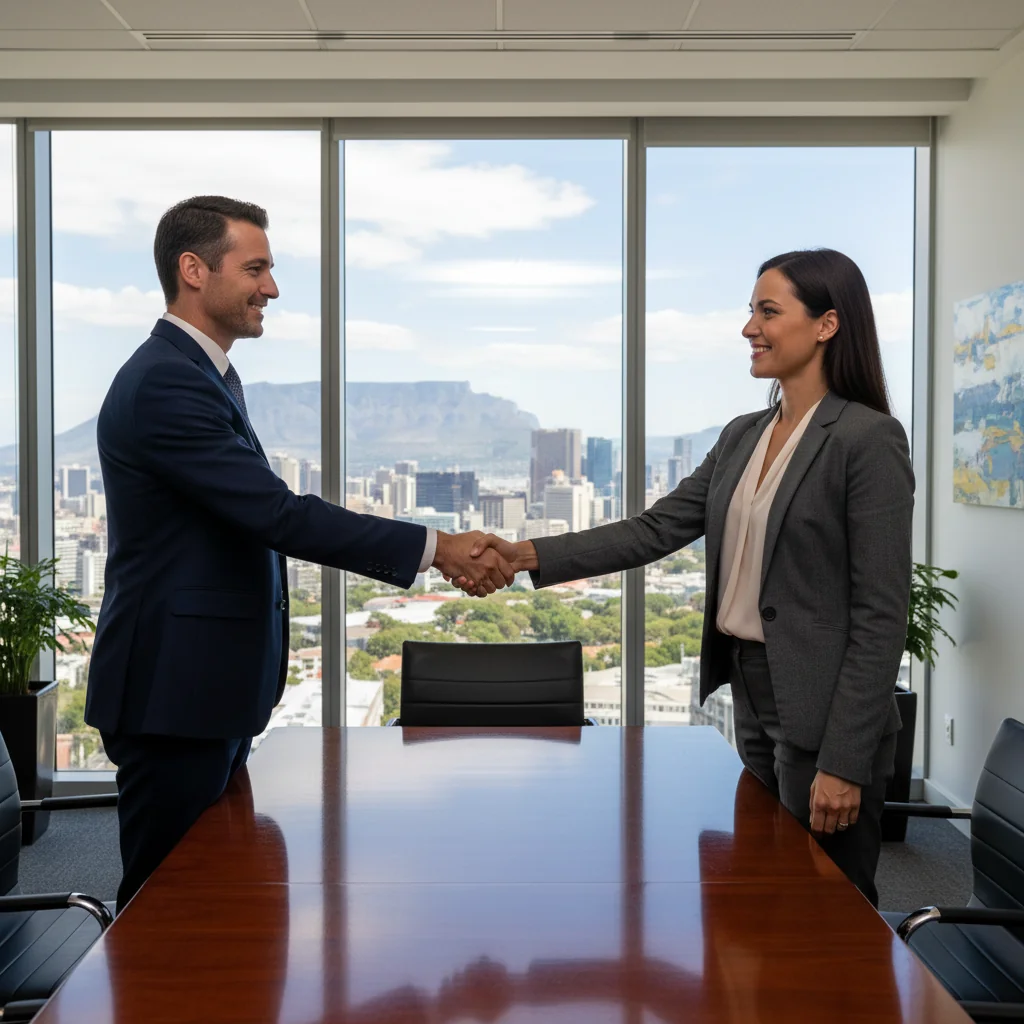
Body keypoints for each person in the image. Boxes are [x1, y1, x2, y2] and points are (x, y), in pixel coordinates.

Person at [85, 195, 511, 912]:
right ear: (194, 269)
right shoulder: (166, 381)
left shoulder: (200, 373)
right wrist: (437, 548)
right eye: (256, 268)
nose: (272, 288)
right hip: (172, 695)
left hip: (200, 692)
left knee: (209, 896)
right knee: (168, 910)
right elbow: (278, 516)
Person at [464, 249, 913, 905]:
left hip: (823, 706)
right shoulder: (744, 435)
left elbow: (881, 615)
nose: (748, 328)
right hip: (752, 693)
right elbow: (655, 529)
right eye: (749, 311)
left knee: (829, 904)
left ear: (826, 324)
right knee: (764, 885)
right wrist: (524, 553)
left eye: (767, 311)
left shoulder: (867, 439)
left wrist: (844, 762)